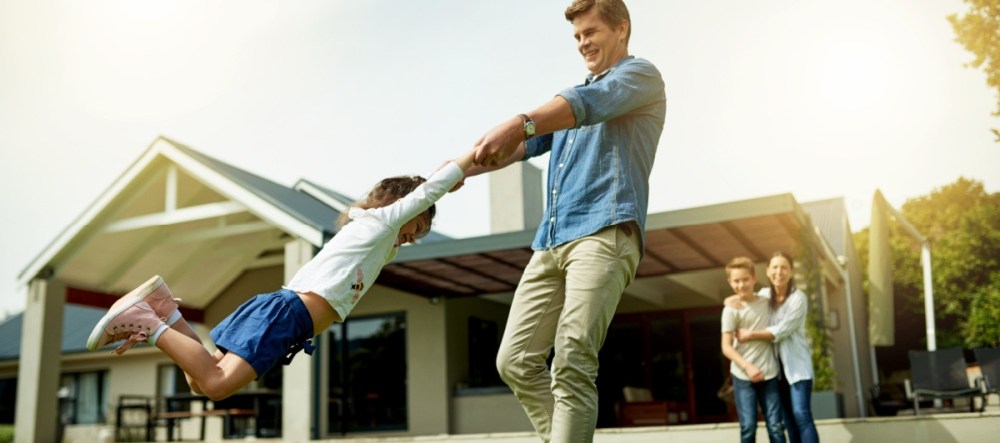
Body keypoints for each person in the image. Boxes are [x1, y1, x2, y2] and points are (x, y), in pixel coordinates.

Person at [86, 148, 477, 400]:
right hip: (286, 316)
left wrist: (438, 183)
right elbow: (422, 197)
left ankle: (165, 312)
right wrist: (461, 167)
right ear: (400, 207)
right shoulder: (381, 224)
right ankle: (146, 320)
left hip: (278, 310)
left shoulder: (370, 236)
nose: (412, 236)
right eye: (417, 225)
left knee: (200, 380)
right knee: (219, 385)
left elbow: (413, 212)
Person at [465, 1, 666, 440]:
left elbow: (584, 105)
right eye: (576, 37)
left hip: (604, 232)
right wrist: (460, 169)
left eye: (591, 32)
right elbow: (521, 148)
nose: (583, 43)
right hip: (551, 241)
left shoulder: (639, 77)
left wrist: (520, 123)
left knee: (572, 358)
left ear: (621, 29)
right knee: (514, 360)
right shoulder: (568, 103)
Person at [728, 252, 820, 443]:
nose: (779, 272)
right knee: (787, 420)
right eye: (775, 267)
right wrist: (728, 301)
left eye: (784, 267)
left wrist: (750, 335)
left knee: (801, 414)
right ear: (768, 272)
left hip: (797, 368)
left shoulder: (798, 298)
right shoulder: (764, 295)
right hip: (774, 370)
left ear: (791, 272)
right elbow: (744, 297)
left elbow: (783, 330)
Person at [721, 256, 786, 443]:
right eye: (736, 281)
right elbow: (726, 346)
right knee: (748, 427)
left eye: (745, 279)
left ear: (754, 278)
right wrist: (748, 367)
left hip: (769, 374)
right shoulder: (731, 309)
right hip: (742, 376)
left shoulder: (767, 301)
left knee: (775, 426)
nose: (741, 285)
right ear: (730, 282)